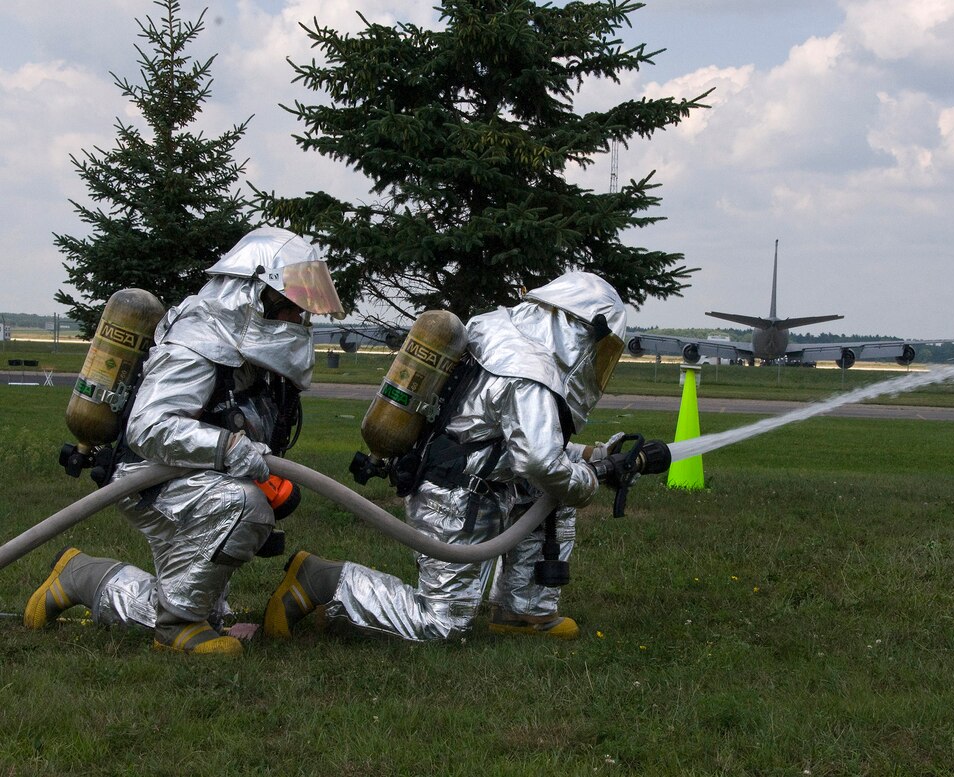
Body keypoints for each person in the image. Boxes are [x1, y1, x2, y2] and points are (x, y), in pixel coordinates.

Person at [23, 226, 345, 656]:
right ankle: (177, 629)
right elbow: (149, 426)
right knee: (244, 506)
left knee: (204, 608)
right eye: (292, 309)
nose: (297, 321)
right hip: (150, 477)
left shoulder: (247, 351)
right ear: (256, 295)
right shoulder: (198, 340)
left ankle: (80, 577)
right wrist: (228, 448)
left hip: (192, 475)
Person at [263, 270, 626, 642]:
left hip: (473, 481)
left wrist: (590, 454)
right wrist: (590, 478)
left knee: (547, 495)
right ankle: (321, 580)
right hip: (456, 496)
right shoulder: (530, 372)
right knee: (441, 625)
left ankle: (525, 610)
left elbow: (509, 437)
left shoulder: (499, 331)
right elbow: (539, 461)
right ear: (576, 329)